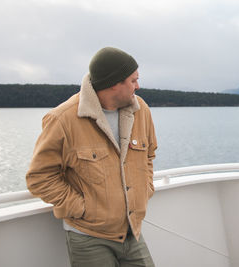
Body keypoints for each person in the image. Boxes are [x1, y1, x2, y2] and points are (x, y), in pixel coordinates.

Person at [26, 47, 157, 267]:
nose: (138, 86)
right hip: (88, 238)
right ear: (114, 82)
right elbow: (39, 178)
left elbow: (149, 154)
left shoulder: (140, 110)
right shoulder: (62, 119)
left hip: (132, 231)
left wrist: (146, 189)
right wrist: (83, 209)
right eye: (133, 80)